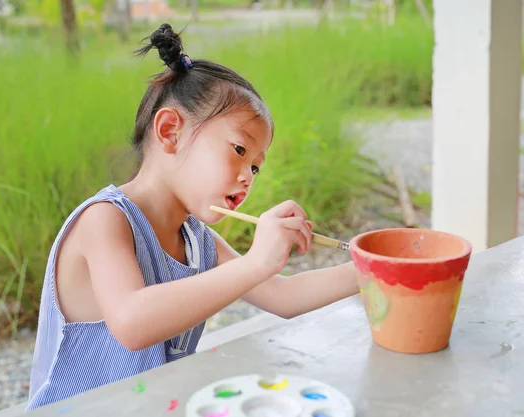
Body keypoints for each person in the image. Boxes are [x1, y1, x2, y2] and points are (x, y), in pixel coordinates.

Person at [25, 23, 359, 411]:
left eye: (256, 167)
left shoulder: (197, 241)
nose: (247, 176)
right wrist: (256, 262)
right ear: (170, 132)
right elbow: (132, 321)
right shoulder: (105, 221)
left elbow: (283, 296)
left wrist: (375, 267)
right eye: (239, 150)